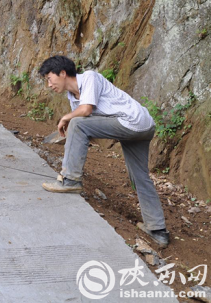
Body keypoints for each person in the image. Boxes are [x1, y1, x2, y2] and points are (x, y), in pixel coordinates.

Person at [38, 55, 169, 247]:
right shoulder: (73, 99)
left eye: (50, 78)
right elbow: (86, 124)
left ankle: (70, 180)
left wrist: (67, 118)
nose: (49, 84)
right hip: (140, 126)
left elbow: (86, 112)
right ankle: (158, 229)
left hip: (132, 122)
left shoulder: (89, 77)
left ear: (63, 73)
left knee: (77, 123)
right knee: (140, 176)